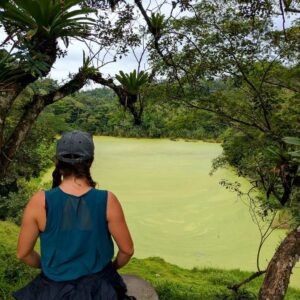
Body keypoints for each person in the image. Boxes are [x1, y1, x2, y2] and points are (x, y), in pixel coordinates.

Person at [12, 130, 135, 300]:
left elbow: (23, 253)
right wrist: (111, 269)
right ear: (90, 161)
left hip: (54, 290)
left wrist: (48, 266)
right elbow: (127, 250)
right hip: (100, 289)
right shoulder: (107, 200)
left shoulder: (39, 202)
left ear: (57, 162)